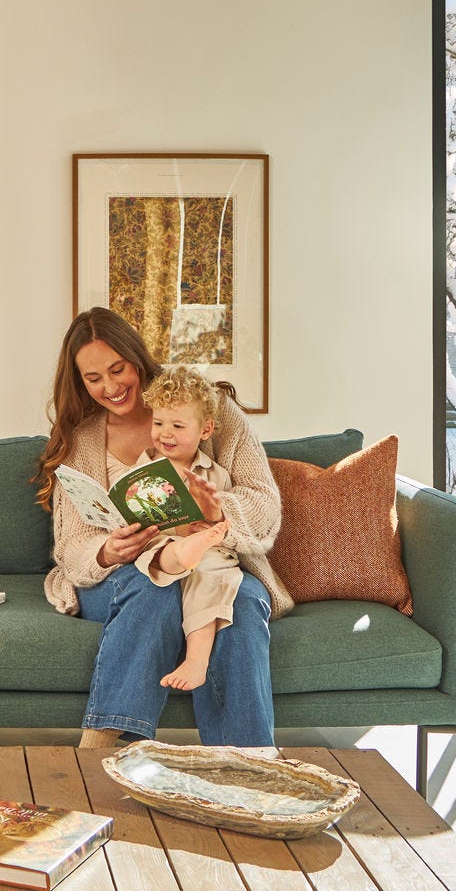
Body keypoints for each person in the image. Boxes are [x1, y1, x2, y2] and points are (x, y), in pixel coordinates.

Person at [36, 307, 293, 749]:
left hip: (212, 562)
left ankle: (248, 765)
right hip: (126, 572)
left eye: (118, 369)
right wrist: (107, 551)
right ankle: (106, 749)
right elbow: (73, 545)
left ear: (138, 358)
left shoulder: (213, 413)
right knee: (151, 586)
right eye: (94, 378)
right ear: (79, 382)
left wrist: (215, 513)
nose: (111, 387)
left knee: (244, 603)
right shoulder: (81, 441)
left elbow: (265, 505)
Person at [132, 367, 240, 692]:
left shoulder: (214, 474)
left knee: (212, 569)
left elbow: (229, 521)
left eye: (178, 426)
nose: (166, 433)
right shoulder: (142, 469)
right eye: (159, 423)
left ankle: (196, 660)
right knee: (156, 552)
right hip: (160, 551)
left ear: (205, 430)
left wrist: (213, 516)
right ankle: (184, 550)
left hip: (205, 553)